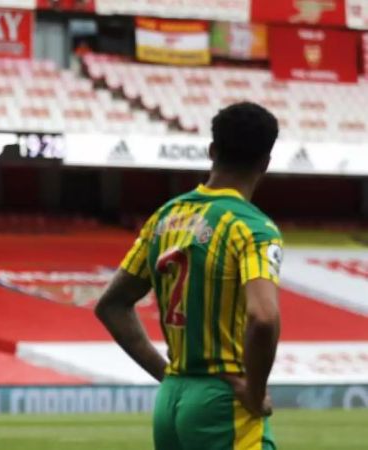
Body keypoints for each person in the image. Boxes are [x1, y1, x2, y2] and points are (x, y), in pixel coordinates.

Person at [95, 102, 282, 450]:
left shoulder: (165, 217)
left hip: (171, 401)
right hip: (222, 400)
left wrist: (167, 374)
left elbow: (111, 305)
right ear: (265, 164)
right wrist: (255, 393)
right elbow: (265, 317)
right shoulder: (253, 227)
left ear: (211, 151)